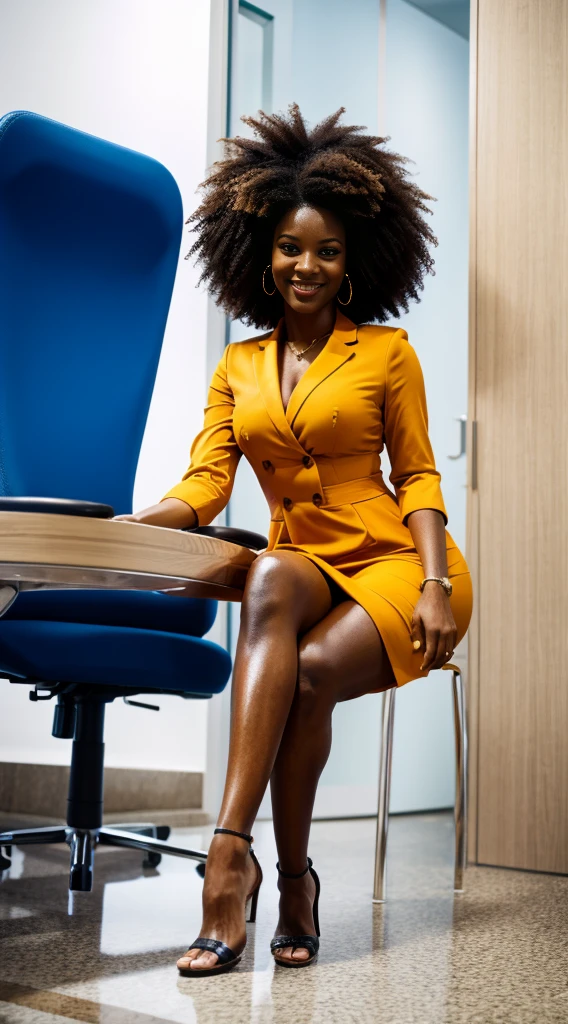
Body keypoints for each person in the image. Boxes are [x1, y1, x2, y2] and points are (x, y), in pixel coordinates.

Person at [114, 104, 473, 975]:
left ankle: (286, 877)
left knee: (309, 676)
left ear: (353, 264)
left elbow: (419, 477)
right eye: (288, 246)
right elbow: (205, 486)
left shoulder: (388, 354)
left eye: (327, 250)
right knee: (273, 574)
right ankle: (234, 860)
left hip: (396, 563)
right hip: (305, 563)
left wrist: (433, 583)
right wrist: (133, 529)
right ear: (261, 255)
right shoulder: (238, 367)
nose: (305, 264)